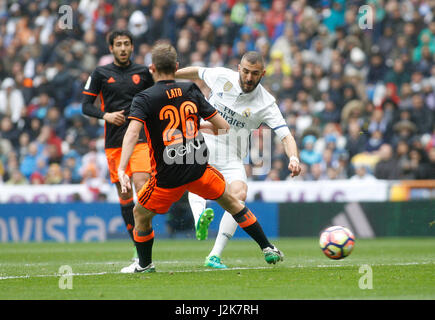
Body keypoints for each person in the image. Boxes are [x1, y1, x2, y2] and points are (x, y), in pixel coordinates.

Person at [118, 42, 284, 273]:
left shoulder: (144, 98)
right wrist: (198, 125)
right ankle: (267, 247)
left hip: (167, 175)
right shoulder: (190, 90)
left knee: (140, 213)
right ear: (176, 66)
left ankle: (145, 264)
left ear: (152, 68)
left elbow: (133, 133)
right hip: (198, 168)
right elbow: (223, 126)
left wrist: (121, 169)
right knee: (235, 204)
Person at [175, 51, 301, 268]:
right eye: (245, 71)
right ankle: (199, 220)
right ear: (238, 68)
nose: (249, 78)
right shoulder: (222, 76)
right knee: (197, 176)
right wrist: (170, 75)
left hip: (232, 155)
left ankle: (214, 255)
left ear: (263, 73)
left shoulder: (266, 103)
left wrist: (294, 157)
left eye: (254, 73)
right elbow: (196, 72)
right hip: (204, 139)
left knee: (239, 196)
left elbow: (285, 135)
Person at [81, 30, 154, 260]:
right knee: (124, 195)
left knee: (142, 183)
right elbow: (85, 105)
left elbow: (155, 97)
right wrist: (106, 116)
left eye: (126, 44)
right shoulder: (100, 73)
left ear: (132, 47)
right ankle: (137, 246)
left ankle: (145, 232)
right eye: (118, 44)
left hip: (140, 138)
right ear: (111, 48)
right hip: (114, 142)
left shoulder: (143, 72)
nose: (123, 48)